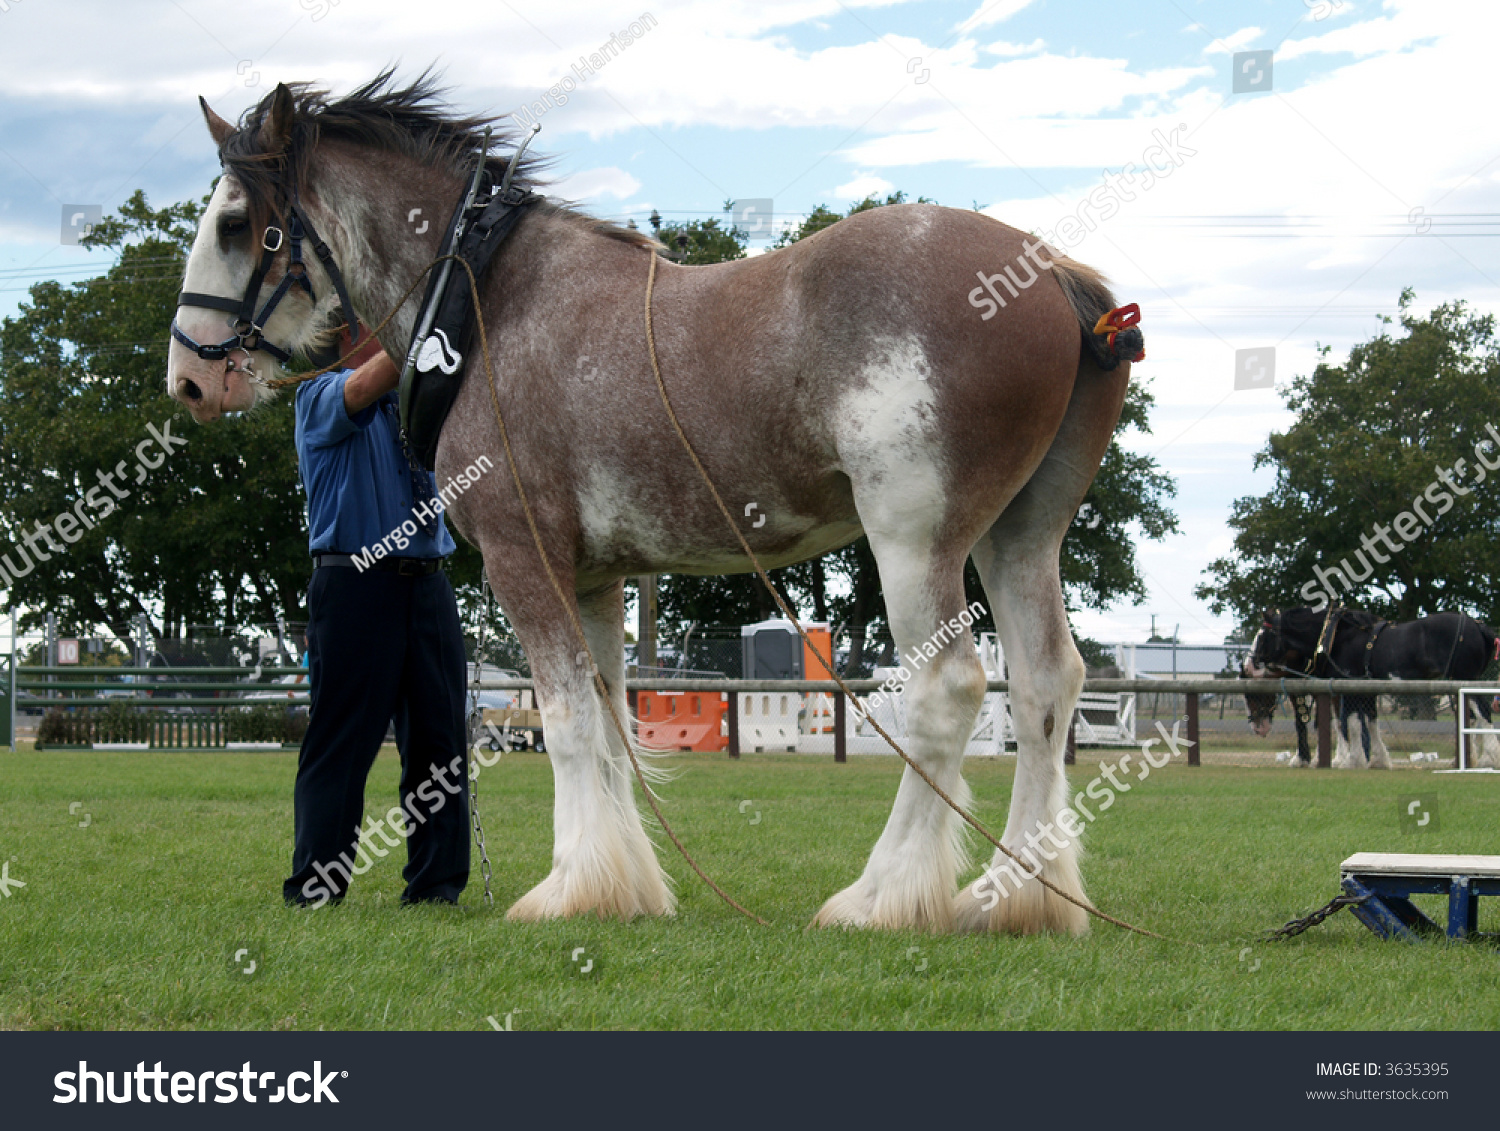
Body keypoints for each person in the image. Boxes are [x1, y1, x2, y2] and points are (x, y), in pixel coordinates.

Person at [283, 327, 470, 907]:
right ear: (340, 341)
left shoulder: (419, 400)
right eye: (372, 324)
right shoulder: (317, 395)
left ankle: (437, 887)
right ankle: (316, 887)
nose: (385, 330)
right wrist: (431, 321)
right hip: (354, 583)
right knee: (342, 741)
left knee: (441, 744)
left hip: (428, 584)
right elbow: (371, 380)